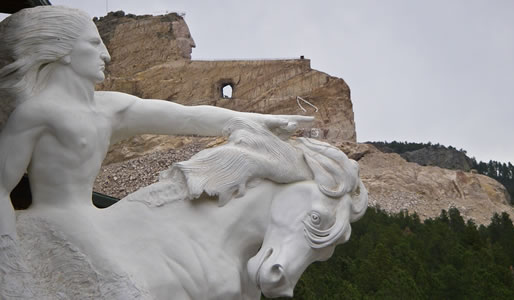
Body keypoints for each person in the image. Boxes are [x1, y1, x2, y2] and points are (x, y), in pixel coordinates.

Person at [0, 6, 312, 240]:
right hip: (55, 230)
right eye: (93, 44)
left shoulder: (111, 107)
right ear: (63, 52)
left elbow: (188, 116)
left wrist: (259, 121)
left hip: (94, 223)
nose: (106, 55)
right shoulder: (36, 114)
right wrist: (7, 249)